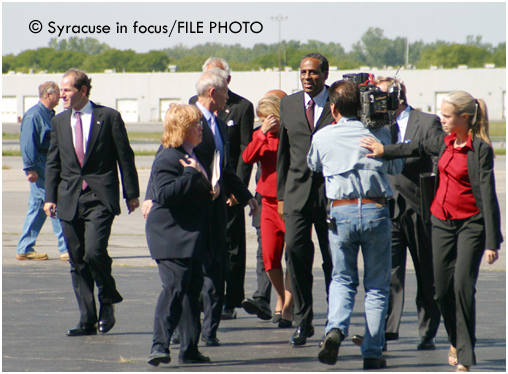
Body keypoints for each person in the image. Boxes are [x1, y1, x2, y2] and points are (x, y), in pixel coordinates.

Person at [361, 91, 503, 372]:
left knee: (462, 285)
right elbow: (413, 148)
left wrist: (492, 240)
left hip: (471, 224)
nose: (442, 119)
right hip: (440, 221)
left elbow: (487, 195)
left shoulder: (480, 150)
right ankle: (455, 337)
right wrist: (383, 150)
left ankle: (464, 354)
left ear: (464, 118)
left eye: (447, 115)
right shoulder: (443, 141)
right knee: (440, 290)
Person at [308, 80, 403, 369]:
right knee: (376, 286)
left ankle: (335, 329)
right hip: (375, 209)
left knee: (342, 278)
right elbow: (395, 167)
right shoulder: (379, 133)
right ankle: (373, 351)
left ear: (333, 108)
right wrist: (390, 134)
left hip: (341, 211)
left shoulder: (323, 136)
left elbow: (314, 166)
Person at [44, 69, 140, 337]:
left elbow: (125, 156)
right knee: (77, 261)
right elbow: (54, 162)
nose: (61, 94)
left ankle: (107, 298)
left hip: (99, 196)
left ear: (83, 91)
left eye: (67, 90)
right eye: (61, 90)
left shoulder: (108, 117)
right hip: (69, 198)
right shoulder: (59, 121)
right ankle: (87, 320)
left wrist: (131, 192)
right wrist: (49, 197)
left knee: (94, 253)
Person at [352, 77, 443, 350]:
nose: (373, 102)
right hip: (386, 208)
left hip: (419, 208)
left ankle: (427, 330)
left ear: (397, 97)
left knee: (426, 273)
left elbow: (437, 154)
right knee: (388, 275)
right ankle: (385, 333)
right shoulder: (373, 124)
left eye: (379, 97)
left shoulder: (427, 122)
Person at [146, 104, 214, 366]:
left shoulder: (192, 154)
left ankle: (190, 348)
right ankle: (158, 345)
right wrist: (188, 174)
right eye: (196, 124)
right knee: (174, 288)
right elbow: (162, 194)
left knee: (191, 292)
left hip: (192, 237)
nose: (201, 128)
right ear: (182, 129)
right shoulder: (168, 157)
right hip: (171, 237)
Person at [189, 57, 255, 320]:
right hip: (203, 194)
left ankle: (231, 299)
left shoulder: (241, 107)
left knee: (231, 247)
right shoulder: (191, 108)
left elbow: (243, 153)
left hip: (229, 189)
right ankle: (205, 303)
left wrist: (237, 192)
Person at [276, 53, 334, 347]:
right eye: (303, 72)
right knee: (295, 254)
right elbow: (283, 153)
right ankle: (303, 320)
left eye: (312, 72)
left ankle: (333, 322)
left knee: (332, 260)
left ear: (325, 74)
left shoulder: (338, 102)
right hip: (297, 194)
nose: (307, 77)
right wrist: (281, 196)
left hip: (330, 195)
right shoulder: (288, 103)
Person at [243, 93, 293, 328]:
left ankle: (288, 307)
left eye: (267, 117)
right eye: (261, 118)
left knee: (293, 256)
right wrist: (262, 133)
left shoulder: (290, 134)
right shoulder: (259, 135)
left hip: (291, 201)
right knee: (270, 256)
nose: (264, 121)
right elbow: (247, 157)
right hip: (268, 203)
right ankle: (280, 296)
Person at [17, 81, 68, 261]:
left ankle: (24, 248)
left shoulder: (48, 114)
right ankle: (65, 248)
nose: (61, 96)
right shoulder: (34, 116)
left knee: (37, 207)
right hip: (40, 166)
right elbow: (27, 144)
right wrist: (30, 168)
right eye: (58, 93)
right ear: (48, 95)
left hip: (48, 163)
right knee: (53, 202)